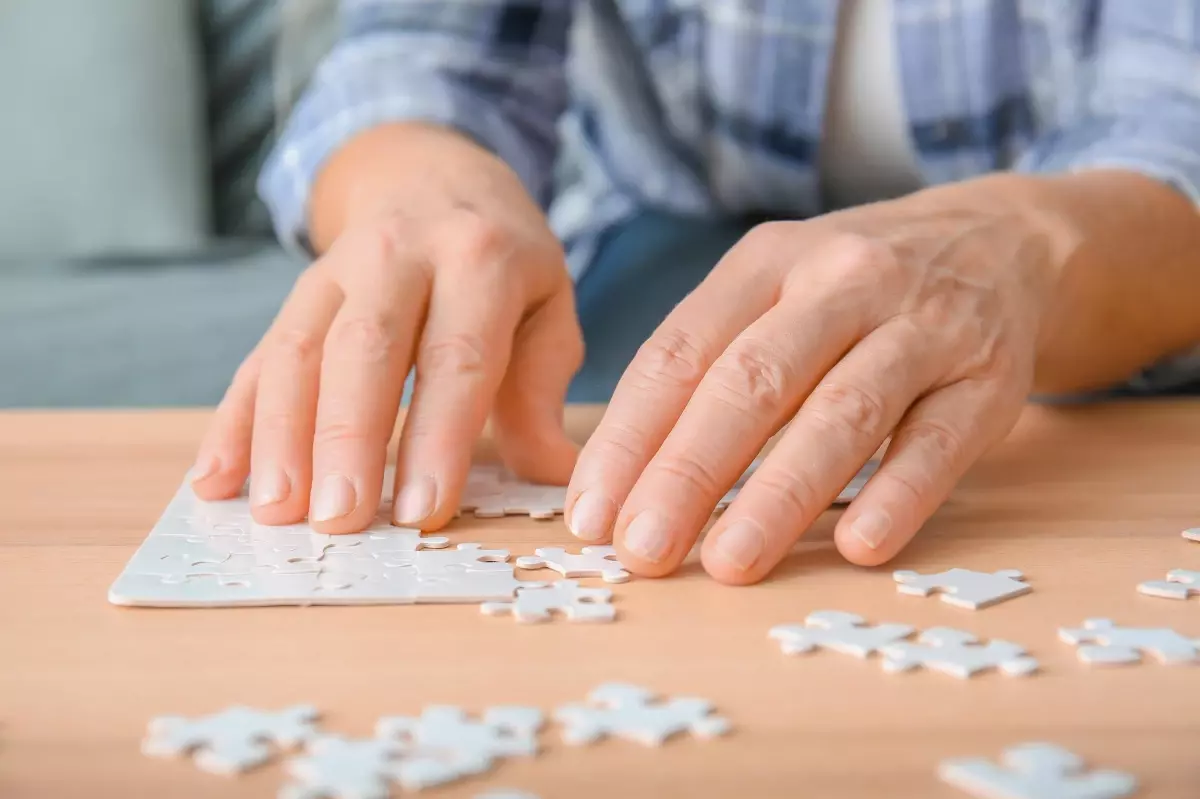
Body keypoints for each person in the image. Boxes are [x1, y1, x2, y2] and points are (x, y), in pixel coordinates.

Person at [190, 0, 1200, 587]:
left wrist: (1027, 248)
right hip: (670, 236)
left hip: (1111, 260)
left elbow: (1176, 122)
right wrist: (422, 183)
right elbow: (420, 47)